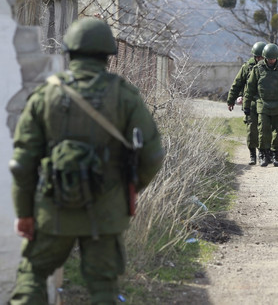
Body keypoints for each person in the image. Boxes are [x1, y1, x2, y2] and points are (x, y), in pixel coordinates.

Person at [9, 17, 165, 304]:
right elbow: (153, 154)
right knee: (103, 288)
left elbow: (22, 163)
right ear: (108, 54)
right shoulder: (124, 95)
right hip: (105, 209)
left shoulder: (45, 94)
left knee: (32, 275)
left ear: (69, 52)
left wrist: (25, 212)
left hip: (51, 209)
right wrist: (127, 188)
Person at [245, 43, 278, 167]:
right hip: (263, 104)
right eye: (269, 59)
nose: (271, 61)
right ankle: (264, 154)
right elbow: (250, 88)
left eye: (273, 58)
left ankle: (275, 155)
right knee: (263, 130)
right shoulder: (258, 69)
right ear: (264, 58)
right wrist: (246, 106)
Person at [227, 41, 266, 165]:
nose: (260, 59)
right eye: (258, 57)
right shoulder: (247, 67)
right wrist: (231, 100)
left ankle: (263, 153)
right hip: (250, 102)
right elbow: (237, 84)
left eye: (262, 57)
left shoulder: (270, 67)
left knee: (264, 129)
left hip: (265, 103)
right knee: (252, 129)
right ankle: (252, 154)